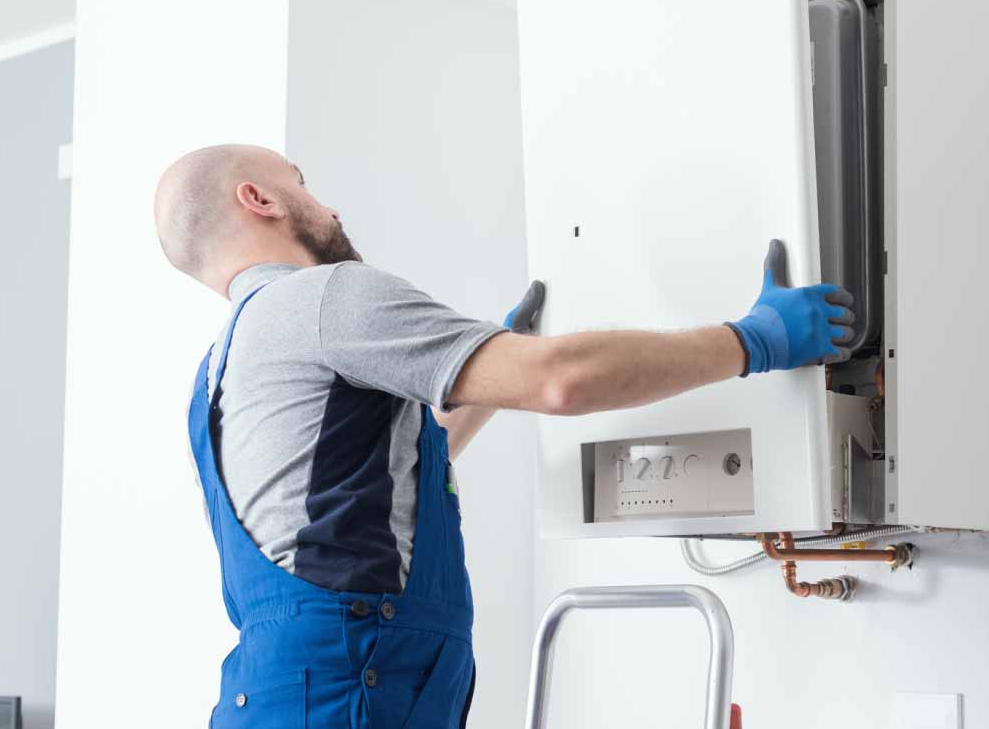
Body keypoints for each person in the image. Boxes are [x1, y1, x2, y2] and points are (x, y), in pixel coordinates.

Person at [153, 143, 854, 728]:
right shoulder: (325, 297)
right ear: (259, 200)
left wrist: (487, 373)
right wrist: (753, 342)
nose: (330, 207)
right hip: (347, 690)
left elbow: (385, 481)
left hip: (286, 695)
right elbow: (562, 381)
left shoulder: (218, 369)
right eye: (302, 185)